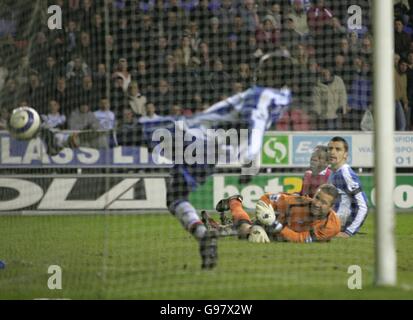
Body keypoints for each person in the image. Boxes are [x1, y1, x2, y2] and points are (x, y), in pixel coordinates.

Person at [36, 52, 293, 269]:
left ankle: (59, 142)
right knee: (175, 197)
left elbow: (255, 122)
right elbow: (257, 127)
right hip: (212, 154)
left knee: (127, 132)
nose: (258, 72)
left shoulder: (263, 95)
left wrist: (250, 160)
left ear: (270, 73)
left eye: (264, 67)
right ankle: (204, 236)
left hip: (192, 135)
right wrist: (249, 156)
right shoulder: (283, 98)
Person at [215, 184, 340, 243]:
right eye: (317, 198)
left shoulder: (331, 226)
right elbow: (267, 197)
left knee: (253, 235)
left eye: (323, 202)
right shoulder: (298, 202)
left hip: (281, 228)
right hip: (277, 219)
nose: (317, 204)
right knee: (246, 231)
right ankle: (234, 203)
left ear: (331, 207)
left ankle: (233, 207)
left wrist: (276, 226)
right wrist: (267, 217)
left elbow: (300, 239)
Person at [327, 136, 368, 238]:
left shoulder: (345, 174)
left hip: (337, 225)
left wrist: (349, 232)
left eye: (338, 149)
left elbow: (363, 206)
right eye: (330, 148)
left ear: (345, 155)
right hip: (331, 221)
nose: (332, 152)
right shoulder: (333, 172)